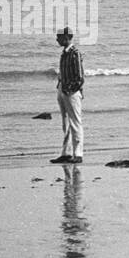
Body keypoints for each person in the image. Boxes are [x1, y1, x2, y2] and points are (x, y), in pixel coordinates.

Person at [52, 25, 84, 163]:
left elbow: (80, 77)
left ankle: (78, 154)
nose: (57, 39)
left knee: (75, 122)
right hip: (63, 90)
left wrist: (70, 89)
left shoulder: (74, 53)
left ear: (67, 38)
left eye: (59, 37)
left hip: (71, 92)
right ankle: (66, 153)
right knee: (65, 122)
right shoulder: (65, 53)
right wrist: (60, 86)